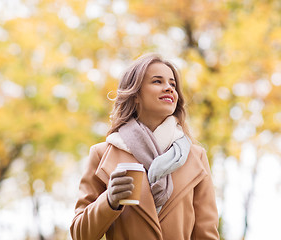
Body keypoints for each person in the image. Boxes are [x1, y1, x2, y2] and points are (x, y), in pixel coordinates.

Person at [70, 53, 220, 240]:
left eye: (172, 84)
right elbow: (80, 234)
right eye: (157, 81)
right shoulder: (103, 154)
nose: (169, 88)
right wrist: (109, 200)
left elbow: (206, 234)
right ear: (135, 96)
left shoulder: (195, 157)